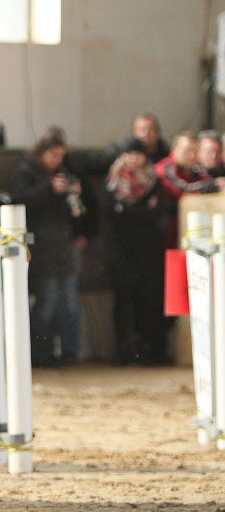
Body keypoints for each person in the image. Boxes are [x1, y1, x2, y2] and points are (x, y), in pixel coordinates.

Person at [7, 127, 85, 367]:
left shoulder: (63, 173)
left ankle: (65, 351)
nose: (57, 161)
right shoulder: (24, 172)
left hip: (63, 247)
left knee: (68, 303)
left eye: (60, 156)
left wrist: (73, 194)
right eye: (53, 155)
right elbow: (18, 201)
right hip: (40, 249)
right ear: (42, 153)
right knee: (46, 303)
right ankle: (40, 353)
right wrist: (49, 189)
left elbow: (78, 212)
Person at [104, 139, 171, 365]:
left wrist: (127, 210)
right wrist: (142, 209)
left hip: (148, 251)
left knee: (148, 301)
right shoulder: (113, 181)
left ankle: (148, 350)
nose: (133, 159)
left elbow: (158, 212)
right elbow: (111, 213)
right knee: (123, 301)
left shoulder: (154, 181)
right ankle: (123, 351)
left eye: (137, 154)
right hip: (120, 251)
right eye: (128, 153)